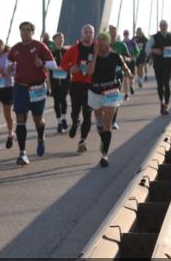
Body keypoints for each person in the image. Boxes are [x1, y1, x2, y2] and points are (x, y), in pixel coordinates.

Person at [7, 21, 60, 165]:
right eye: (22, 30)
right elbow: (9, 64)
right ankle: (22, 153)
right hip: (20, 87)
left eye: (28, 30)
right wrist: (9, 69)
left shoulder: (40, 46)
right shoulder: (15, 48)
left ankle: (41, 137)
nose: (25, 32)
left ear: (32, 32)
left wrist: (42, 64)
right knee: (20, 117)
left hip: (37, 88)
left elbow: (53, 65)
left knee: (38, 119)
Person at [87, 32, 131, 167]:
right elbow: (89, 72)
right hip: (96, 91)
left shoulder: (115, 56)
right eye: (99, 39)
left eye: (103, 39)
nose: (100, 42)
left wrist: (129, 73)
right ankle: (103, 139)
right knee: (99, 122)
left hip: (111, 91)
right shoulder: (92, 56)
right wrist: (95, 55)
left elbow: (125, 67)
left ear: (108, 42)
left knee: (107, 122)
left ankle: (105, 155)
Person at [59, 25, 97, 153]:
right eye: (86, 32)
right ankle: (75, 122)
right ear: (82, 34)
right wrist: (70, 68)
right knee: (75, 112)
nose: (88, 34)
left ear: (93, 34)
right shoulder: (74, 48)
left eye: (90, 32)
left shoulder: (97, 48)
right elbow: (63, 63)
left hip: (91, 85)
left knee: (87, 113)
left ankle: (82, 140)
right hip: (76, 84)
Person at [150, 20, 171, 115]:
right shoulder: (154, 37)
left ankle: (166, 105)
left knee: (166, 83)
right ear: (159, 26)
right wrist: (154, 50)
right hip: (158, 63)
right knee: (159, 84)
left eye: (165, 25)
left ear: (167, 26)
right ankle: (161, 102)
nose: (163, 26)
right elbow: (147, 48)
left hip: (168, 63)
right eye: (162, 25)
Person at [108, 25, 131, 130]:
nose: (113, 33)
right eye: (111, 31)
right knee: (105, 97)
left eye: (114, 31)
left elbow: (129, 58)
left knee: (115, 96)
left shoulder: (121, 45)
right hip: (104, 74)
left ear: (117, 33)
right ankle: (106, 117)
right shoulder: (104, 44)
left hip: (118, 74)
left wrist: (124, 58)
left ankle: (113, 121)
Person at [48, 33, 69, 134]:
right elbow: (48, 69)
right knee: (56, 101)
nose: (61, 40)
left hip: (65, 79)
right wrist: (48, 86)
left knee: (63, 99)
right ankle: (59, 122)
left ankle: (64, 118)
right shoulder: (51, 53)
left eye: (62, 38)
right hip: (55, 80)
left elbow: (72, 63)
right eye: (58, 38)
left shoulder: (67, 52)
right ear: (54, 40)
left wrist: (65, 67)